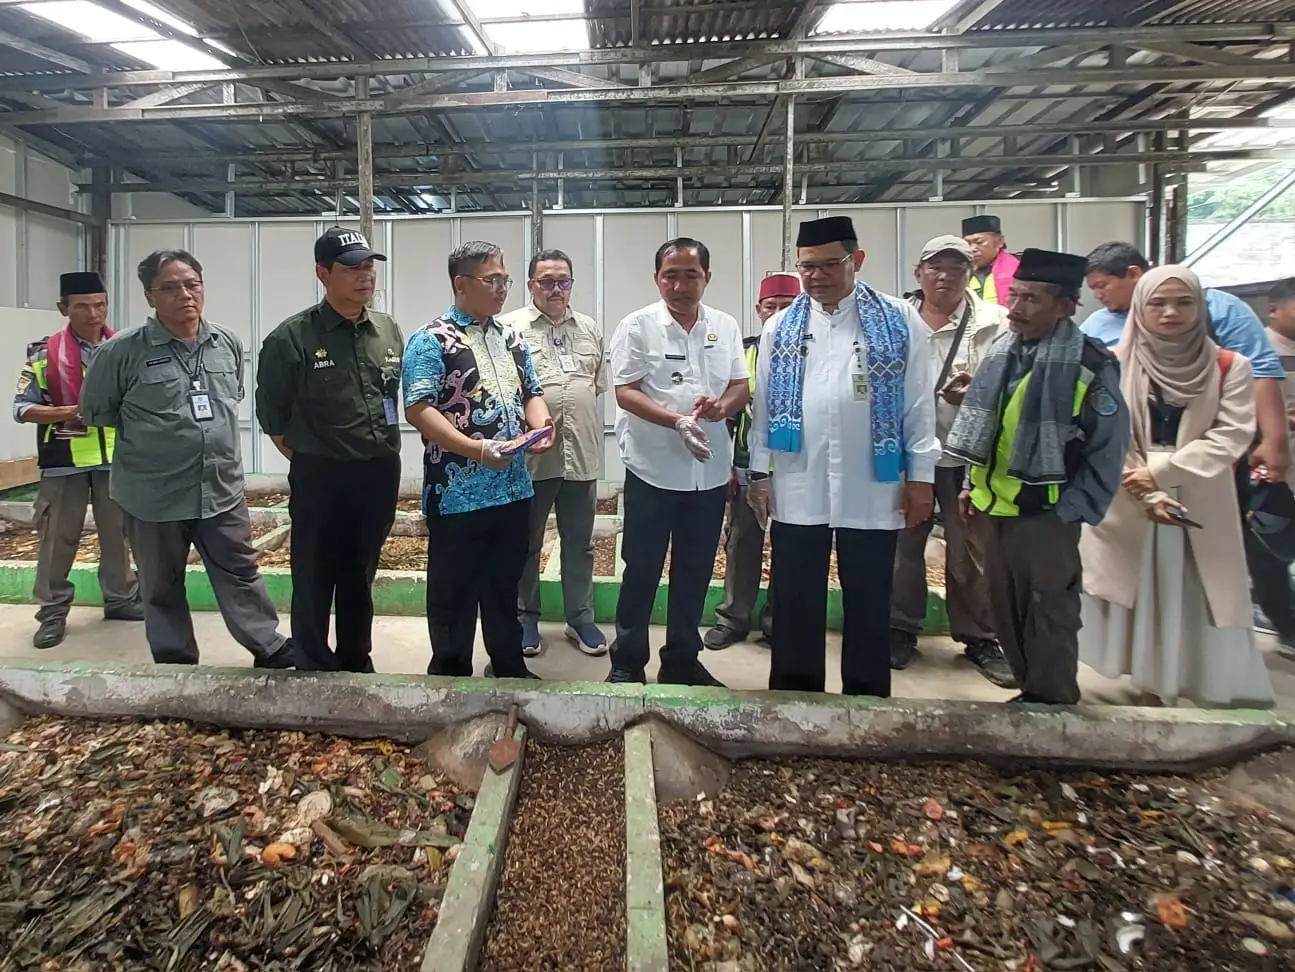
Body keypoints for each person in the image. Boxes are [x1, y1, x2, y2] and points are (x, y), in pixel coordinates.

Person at [748, 216, 940, 697]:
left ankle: (866, 696)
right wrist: (758, 472)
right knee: (794, 597)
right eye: (806, 267)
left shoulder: (898, 320)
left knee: (871, 595)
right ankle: (795, 694)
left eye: (828, 265)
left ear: (856, 261)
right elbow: (765, 404)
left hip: (874, 482)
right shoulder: (781, 326)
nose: (814, 277)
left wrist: (921, 476)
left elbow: (919, 401)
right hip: (799, 478)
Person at [79, 250, 295, 668]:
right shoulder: (121, 351)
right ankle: (175, 661)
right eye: (170, 288)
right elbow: (98, 411)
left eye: (192, 284)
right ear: (149, 296)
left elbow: (230, 397)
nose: (185, 295)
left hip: (220, 489)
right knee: (161, 583)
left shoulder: (225, 342)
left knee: (240, 571)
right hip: (153, 495)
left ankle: (267, 646)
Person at [1079, 266, 1273, 708]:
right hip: (1130, 494)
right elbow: (1104, 429)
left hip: (1199, 492)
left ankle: (1185, 677)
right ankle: (1150, 680)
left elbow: (1233, 433)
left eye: (1183, 302)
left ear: (1200, 308)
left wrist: (1162, 475)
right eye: (1158, 303)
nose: (1170, 313)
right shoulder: (1112, 361)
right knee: (1140, 585)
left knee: (1192, 589)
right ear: (1141, 307)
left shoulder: (1229, 366)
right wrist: (1143, 485)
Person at [945, 248, 1129, 705]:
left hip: (1046, 513)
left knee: (1049, 611)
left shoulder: (1087, 364)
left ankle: (1053, 702)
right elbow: (988, 428)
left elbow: (1108, 448)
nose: (1016, 308)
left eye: (1031, 299)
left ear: (1065, 305)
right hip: (995, 507)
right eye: (1015, 295)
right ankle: (1030, 693)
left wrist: (1071, 511)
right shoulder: (1004, 353)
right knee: (1005, 609)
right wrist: (971, 484)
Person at [402, 241, 554, 680]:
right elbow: (418, 408)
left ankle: (508, 667)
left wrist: (542, 426)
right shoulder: (432, 339)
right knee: (454, 594)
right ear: (460, 284)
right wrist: (477, 450)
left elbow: (532, 392)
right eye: (493, 280)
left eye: (505, 280)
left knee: (504, 587)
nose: (502, 289)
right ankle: (450, 675)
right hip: (457, 493)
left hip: (512, 488)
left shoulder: (509, 336)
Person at [255, 227, 404, 674]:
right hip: (321, 473)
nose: (365, 277)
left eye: (368, 267)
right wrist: (313, 458)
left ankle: (357, 658)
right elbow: (273, 417)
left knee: (359, 574)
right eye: (351, 268)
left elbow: (393, 397)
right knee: (316, 574)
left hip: (378, 471)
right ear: (323, 273)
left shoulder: (387, 329)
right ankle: (313, 662)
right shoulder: (292, 338)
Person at [605, 238, 749, 686]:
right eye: (671, 275)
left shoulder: (724, 325)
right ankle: (628, 663)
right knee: (642, 569)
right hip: (651, 469)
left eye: (691, 275)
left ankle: (682, 660)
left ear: (707, 278)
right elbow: (625, 391)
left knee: (695, 570)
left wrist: (722, 408)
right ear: (657, 279)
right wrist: (676, 421)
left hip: (707, 473)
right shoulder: (636, 327)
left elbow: (740, 386)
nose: (680, 285)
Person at [889, 236, 1013, 686]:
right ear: (919, 273)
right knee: (903, 546)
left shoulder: (995, 323)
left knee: (971, 549)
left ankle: (980, 636)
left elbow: (1015, 380)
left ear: (970, 274)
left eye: (957, 269)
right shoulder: (895, 322)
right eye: (936, 267)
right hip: (907, 453)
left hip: (969, 455)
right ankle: (900, 628)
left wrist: (977, 389)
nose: (945, 276)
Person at [1081, 242, 1290, 484]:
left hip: (1206, 459)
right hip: (1126, 465)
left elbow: (1260, 373)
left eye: (1101, 285)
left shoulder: (1221, 310)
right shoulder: (1097, 326)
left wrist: (1274, 440)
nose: (1171, 312)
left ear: (1134, 274)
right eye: (1156, 304)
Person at [12, 271, 142, 649]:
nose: (93, 313)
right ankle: (52, 613)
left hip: (115, 459)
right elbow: (23, 409)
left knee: (118, 536)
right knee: (57, 538)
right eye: (82, 306)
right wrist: (72, 410)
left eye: (100, 305)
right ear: (63, 308)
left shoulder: (125, 348)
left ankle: (120, 599)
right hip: (64, 459)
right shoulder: (43, 353)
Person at [499, 249, 608, 659]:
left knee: (579, 543)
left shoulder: (590, 329)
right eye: (546, 281)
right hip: (532, 459)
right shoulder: (510, 327)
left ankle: (580, 618)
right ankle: (525, 617)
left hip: (580, 455)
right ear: (530, 285)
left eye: (563, 280)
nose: (556, 288)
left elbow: (595, 385)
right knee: (525, 542)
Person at [703, 271, 800, 651]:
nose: (777, 314)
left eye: (787, 307)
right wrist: (726, 466)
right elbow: (727, 415)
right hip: (746, 466)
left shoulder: (813, 351)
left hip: (795, 468)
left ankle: (780, 621)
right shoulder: (743, 353)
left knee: (791, 546)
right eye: (770, 307)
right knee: (742, 542)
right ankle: (733, 618)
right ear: (759, 310)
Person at [1248, 277, 1295, 659]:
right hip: (1270, 472)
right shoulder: (1255, 353)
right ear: (1274, 309)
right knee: (1268, 550)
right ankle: (1287, 625)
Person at [962, 215, 1019, 307]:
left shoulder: (1017, 270)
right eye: (968, 243)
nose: (972, 249)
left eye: (979, 242)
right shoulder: (961, 270)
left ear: (1000, 241)